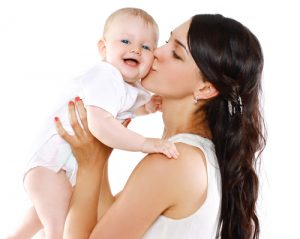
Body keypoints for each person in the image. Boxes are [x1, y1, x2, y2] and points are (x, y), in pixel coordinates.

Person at [55, 14, 265, 239]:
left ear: (205, 89)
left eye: (176, 53)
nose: (155, 52)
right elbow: (109, 223)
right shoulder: (194, 155)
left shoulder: (173, 161)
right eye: (167, 41)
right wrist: (101, 154)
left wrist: (90, 167)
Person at [8, 7, 179, 239]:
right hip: (50, 165)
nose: (135, 49)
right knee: (58, 229)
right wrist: (145, 144)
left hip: (61, 167)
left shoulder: (128, 86)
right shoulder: (105, 75)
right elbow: (100, 125)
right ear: (103, 48)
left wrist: (146, 107)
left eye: (146, 46)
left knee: (48, 212)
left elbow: (123, 110)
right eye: (126, 40)